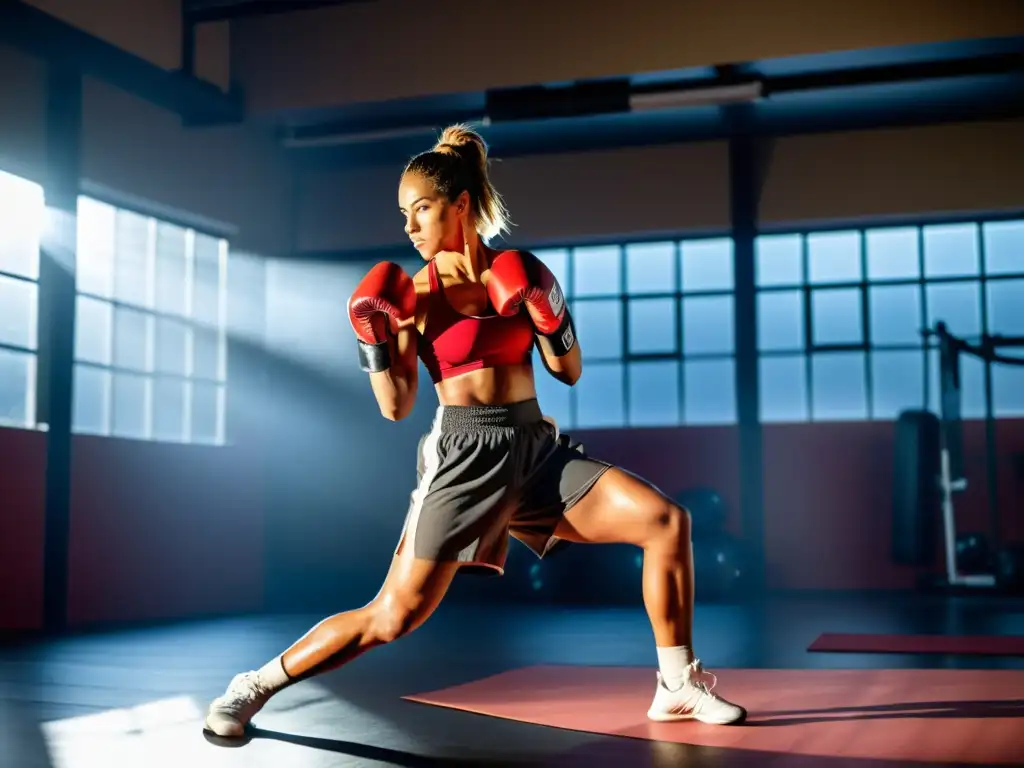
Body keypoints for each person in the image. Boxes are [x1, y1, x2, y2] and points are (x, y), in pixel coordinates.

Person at [204, 124, 746, 737]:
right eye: (403, 214)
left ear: (461, 205)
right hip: (462, 455)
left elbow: (567, 371)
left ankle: (676, 684)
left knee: (667, 521)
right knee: (391, 617)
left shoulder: (516, 274)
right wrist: (372, 342)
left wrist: (549, 312)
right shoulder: (411, 297)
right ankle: (252, 685)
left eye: (422, 210)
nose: (409, 227)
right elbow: (395, 405)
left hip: (535, 450)